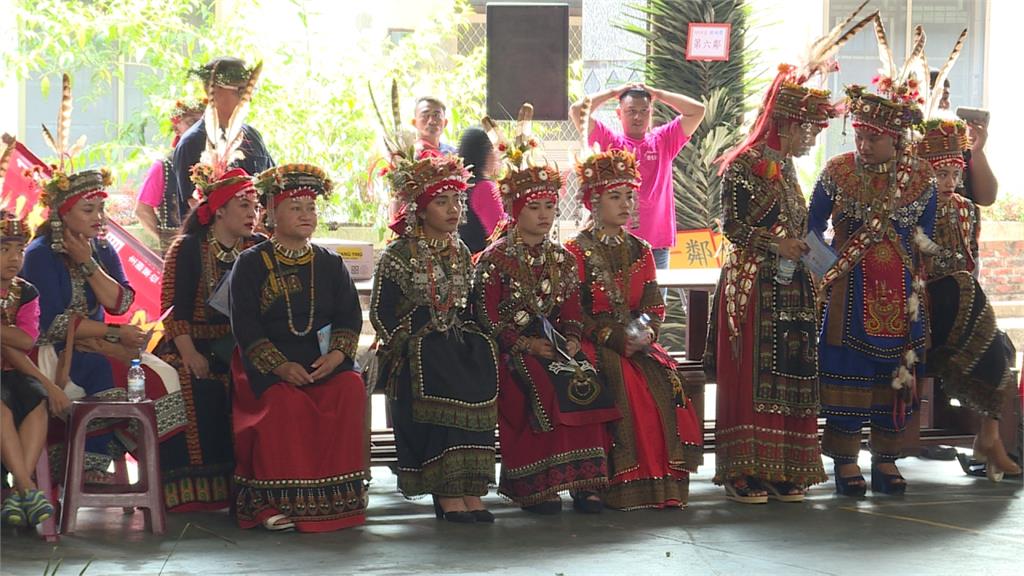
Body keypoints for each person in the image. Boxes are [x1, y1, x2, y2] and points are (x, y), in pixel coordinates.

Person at [22, 74, 184, 484]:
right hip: (53, 354)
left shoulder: (101, 248)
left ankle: (153, 471)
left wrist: (89, 265)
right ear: (63, 214)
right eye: (88, 210)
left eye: (100, 209)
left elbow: (121, 302)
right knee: (113, 373)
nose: (99, 218)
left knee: (161, 374)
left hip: (97, 343)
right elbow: (50, 325)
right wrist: (115, 336)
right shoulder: (40, 255)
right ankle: (90, 467)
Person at [808, 24, 938, 494]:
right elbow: (810, 228)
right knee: (849, 369)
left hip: (902, 291)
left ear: (898, 140)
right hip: (849, 290)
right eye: (859, 135)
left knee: (894, 376)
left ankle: (886, 458)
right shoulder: (837, 171)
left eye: (873, 139)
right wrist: (824, 275)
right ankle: (845, 462)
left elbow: (927, 236)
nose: (862, 146)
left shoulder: (922, 178)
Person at [474, 114, 618, 514]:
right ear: (515, 210)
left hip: (556, 347)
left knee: (585, 368)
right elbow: (485, 317)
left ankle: (585, 482)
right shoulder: (495, 259)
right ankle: (537, 484)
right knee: (537, 380)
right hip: (513, 351)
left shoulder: (562, 260)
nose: (544, 215)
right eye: (534, 207)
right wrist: (524, 343)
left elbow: (571, 309)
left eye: (550, 206)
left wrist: (571, 338)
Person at [706, 67, 836, 503]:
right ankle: (743, 468)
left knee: (790, 374)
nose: (812, 140)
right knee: (751, 375)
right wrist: (776, 244)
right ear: (785, 122)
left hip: (792, 285)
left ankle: (781, 467)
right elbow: (732, 227)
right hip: (754, 282)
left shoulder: (787, 168)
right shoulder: (743, 164)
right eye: (809, 130)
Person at [229, 163, 368, 532]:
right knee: (284, 402)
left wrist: (337, 357)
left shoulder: (331, 263)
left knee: (350, 388)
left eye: (311, 207)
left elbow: (348, 318)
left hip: (323, 363)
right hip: (266, 364)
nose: (307, 215)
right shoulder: (251, 263)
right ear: (272, 213)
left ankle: (338, 498)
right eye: (296, 207)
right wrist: (279, 367)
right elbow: (244, 324)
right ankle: (273, 501)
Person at [565, 144, 702, 511]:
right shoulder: (574, 252)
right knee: (616, 381)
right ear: (594, 201)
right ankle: (596, 482)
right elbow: (572, 311)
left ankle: (663, 480)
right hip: (594, 341)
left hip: (635, 340)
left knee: (664, 378)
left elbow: (653, 304)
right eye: (615, 196)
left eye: (630, 196)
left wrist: (647, 333)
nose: (625, 204)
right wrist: (611, 337)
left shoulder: (641, 250)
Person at [370, 150, 499, 523]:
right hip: (416, 344)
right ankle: (446, 490)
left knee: (479, 369)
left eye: (457, 201)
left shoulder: (461, 251)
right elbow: (381, 314)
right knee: (442, 371)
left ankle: (470, 487)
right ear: (421, 209)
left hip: (456, 340)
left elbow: (471, 307)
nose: (453, 209)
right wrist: (404, 343)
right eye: (441, 202)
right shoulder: (398, 253)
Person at [156, 159, 265, 511]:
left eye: (256, 206)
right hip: (188, 344)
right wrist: (190, 353)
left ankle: (256, 484)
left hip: (240, 344)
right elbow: (173, 309)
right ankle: (190, 489)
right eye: (244, 205)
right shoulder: (187, 248)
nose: (253, 213)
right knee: (190, 382)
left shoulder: (258, 247)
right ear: (219, 210)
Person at [916, 118, 1021, 481]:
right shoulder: (915, 205)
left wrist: (979, 149)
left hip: (961, 294)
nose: (947, 182)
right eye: (939, 174)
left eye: (953, 175)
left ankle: (989, 438)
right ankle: (987, 441)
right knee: (970, 300)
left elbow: (968, 254)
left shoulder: (966, 207)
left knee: (1000, 351)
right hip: (926, 296)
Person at [570, 83, 705, 269]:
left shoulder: (664, 140)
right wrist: (612, 93)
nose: (637, 117)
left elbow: (698, 111)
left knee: (655, 295)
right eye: (631, 110)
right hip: (616, 238)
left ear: (651, 113)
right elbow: (577, 111)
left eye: (644, 111)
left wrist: (658, 93)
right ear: (619, 113)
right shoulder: (610, 142)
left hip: (657, 242)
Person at [0, 211, 69, 527]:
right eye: (4, 250)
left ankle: (18, 495)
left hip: (14, 370)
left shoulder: (26, 292)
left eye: (18, 250)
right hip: (10, 370)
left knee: (37, 403)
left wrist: (48, 384)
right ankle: (28, 488)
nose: (14, 258)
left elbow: (23, 341)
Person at [173, 57, 274, 217]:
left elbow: (272, 188)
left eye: (250, 91)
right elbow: (196, 206)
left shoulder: (253, 137)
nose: (248, 98)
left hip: (257, 239)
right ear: (211, 89)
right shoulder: (192, 143)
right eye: (241, 91)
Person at [135, 98, 205, 252]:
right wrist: (166, 239)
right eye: (193, 122)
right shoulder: (163, 166)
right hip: (177, 251)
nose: (199, 129)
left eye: (203, 123)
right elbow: (142, 210)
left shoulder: (215, 162)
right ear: (177, 128)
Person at [457, 126, 505, 254]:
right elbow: (500, 232)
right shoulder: (485, 188)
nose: (498, 157)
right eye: (496, 150)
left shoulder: (459, 184)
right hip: (480, 262)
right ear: (485, 153)